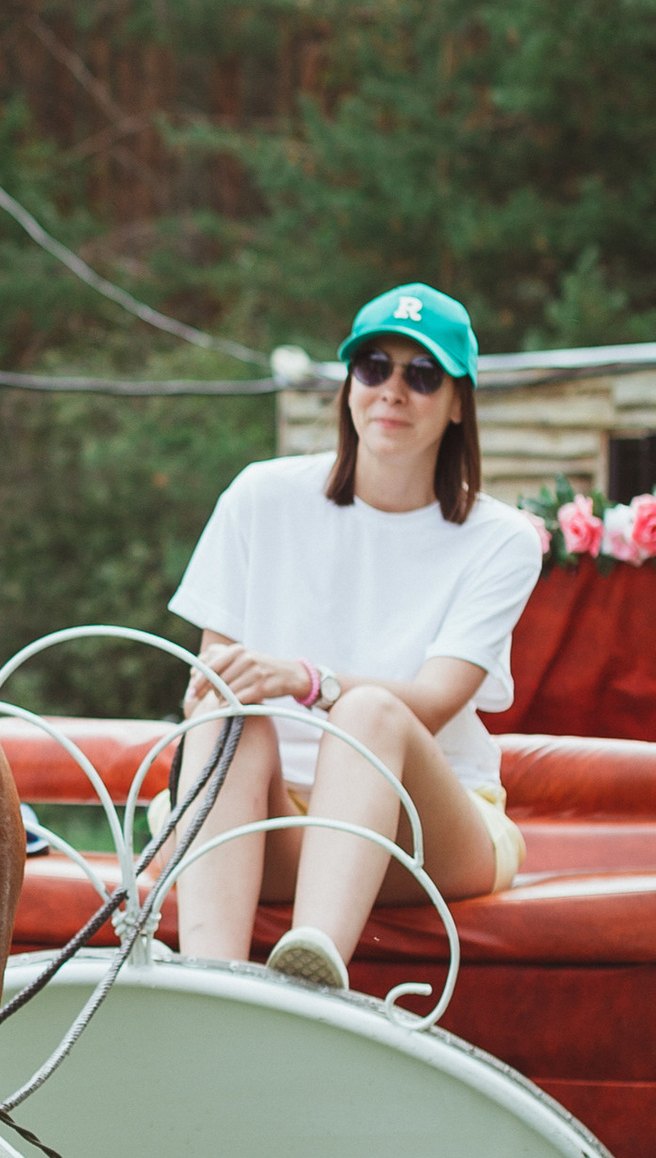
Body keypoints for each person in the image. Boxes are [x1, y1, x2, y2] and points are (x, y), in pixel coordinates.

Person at [167, 284, 542, 991]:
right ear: (348, 387)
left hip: (424, 835)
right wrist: (243, 690)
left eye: (422, 375)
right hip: (271, 823)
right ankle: (208, 987)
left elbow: (431, 703)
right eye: (373, 366)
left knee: (366, 713)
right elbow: (212, 682)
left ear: (459, 402)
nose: (392, 391)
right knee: (223, 709)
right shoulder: (259, 495)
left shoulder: (503, 540)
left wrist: (308, 679)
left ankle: (313, 984)